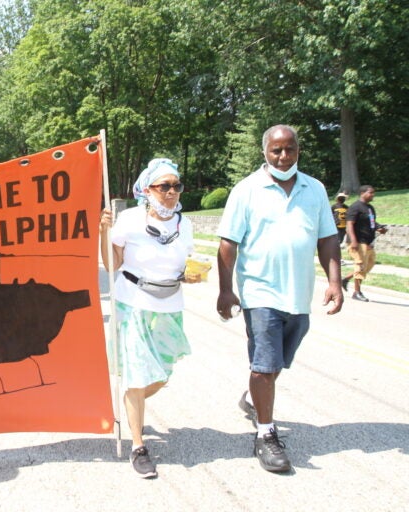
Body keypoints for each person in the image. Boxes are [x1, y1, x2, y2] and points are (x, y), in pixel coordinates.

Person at [216, 125, 343, 473]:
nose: (283, 156)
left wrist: (335, 281)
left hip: (298, 294)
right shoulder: (247, 190)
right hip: (260, 292)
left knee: (274, 364)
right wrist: (226, 290)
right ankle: (266, 434)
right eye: (276, 150)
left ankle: (253, 400)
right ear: (265, 153)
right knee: (265, 364)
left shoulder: (314, 189)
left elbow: (328, 239)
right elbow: (228, 244)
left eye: (289, 149)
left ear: (298, 150)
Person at [100, 158, 200, 479]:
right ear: (147, 189)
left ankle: (134, 400)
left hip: (169, 304)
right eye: (164, 186)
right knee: (137, 374)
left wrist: (192, 275)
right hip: (133, 303)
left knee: (161, 376)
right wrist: (104, 232)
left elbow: (183, 263)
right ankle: (138, 445)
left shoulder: (185, 225)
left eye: (176, 186)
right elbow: (112, 263)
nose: (171, 192)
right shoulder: (129, 219)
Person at [341, 185, 388, 302]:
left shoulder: (370, 208)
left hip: (368, 242)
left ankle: (346, 279)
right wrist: (353, 241)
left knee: (369, 264)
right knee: (360, 265)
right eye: (370, 193)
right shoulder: (355, 207)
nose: (373, 195)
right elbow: (350, 224)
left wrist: (379, 228)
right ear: (362, 193)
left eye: (373, 193)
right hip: (358, 241)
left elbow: (371, 222)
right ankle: (357, 292)